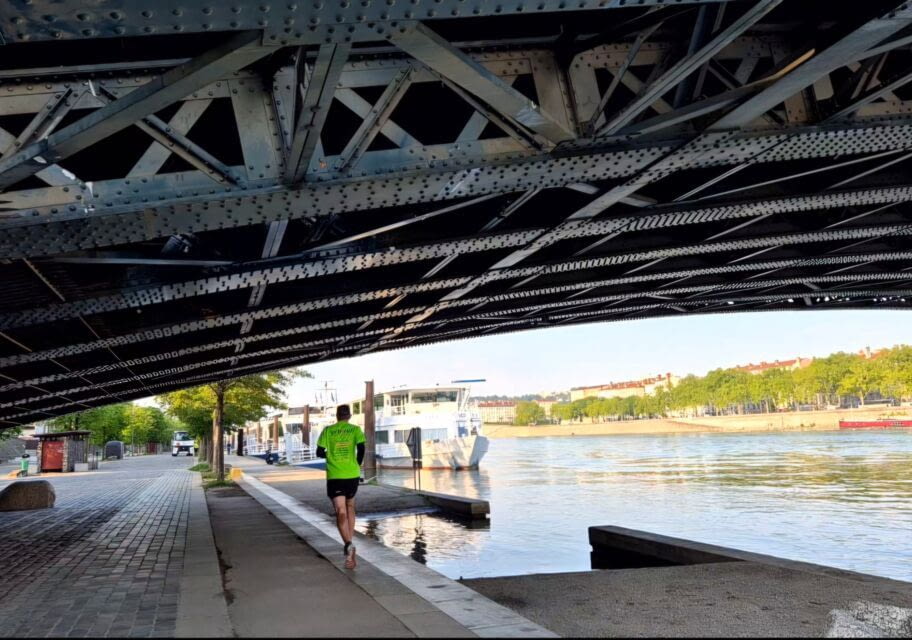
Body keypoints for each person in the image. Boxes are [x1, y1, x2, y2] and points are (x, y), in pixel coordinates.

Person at [316, 404, 366, 569]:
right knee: (350, 505)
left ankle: (348, 544)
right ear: (349, 416)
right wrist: (357, 464)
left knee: (340, 511)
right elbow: (361, 448)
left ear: (337, 416)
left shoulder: (328, 431)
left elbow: (319, 452)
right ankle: (350, 542)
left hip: (335, 475)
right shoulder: (355, 430)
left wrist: (331, 455)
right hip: (352, 474)